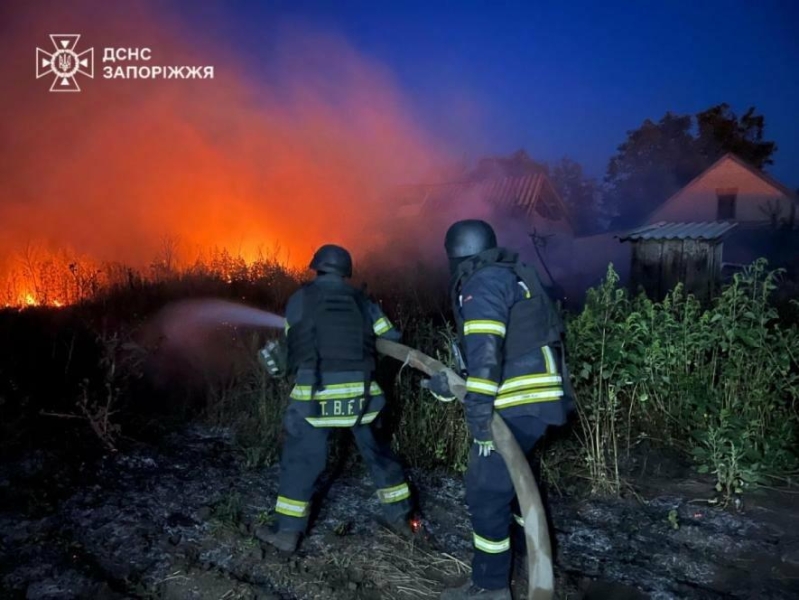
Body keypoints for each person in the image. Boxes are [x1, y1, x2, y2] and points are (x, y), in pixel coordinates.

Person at [427, 220, 574, 599]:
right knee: (513, 482)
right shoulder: (508, 275)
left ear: (456, 256)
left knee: (486, 490)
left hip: (517, 401)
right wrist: (450, 386)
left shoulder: (480, 284)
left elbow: (487, 353)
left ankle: (490, 587)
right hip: (536, 397)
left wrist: (479, 418)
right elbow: (488, 357)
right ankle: (530, 559)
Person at [255, 244, 414, 552]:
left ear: (316, 268)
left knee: (301, 462)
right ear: (346, 272)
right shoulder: (363, 301)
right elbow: (392, 340)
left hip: (315, 398)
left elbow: (293, 348)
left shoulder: (300, 299)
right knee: (380, 457)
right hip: (363, 400)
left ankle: (288, 532)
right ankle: (401, 519)